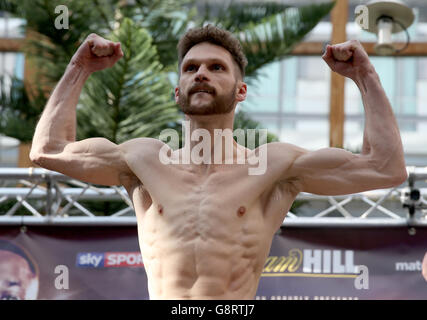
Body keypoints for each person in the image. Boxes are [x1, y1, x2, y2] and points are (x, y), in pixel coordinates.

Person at [30, 25, 407, 299]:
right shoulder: (141, 159)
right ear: (178, 90)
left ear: (241, 91)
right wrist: (79, 67)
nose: (202, 74)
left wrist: (364, 75)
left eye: (216, 67)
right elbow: (48, 150)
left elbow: (384, 167)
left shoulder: (274, 166)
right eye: (191, 68)